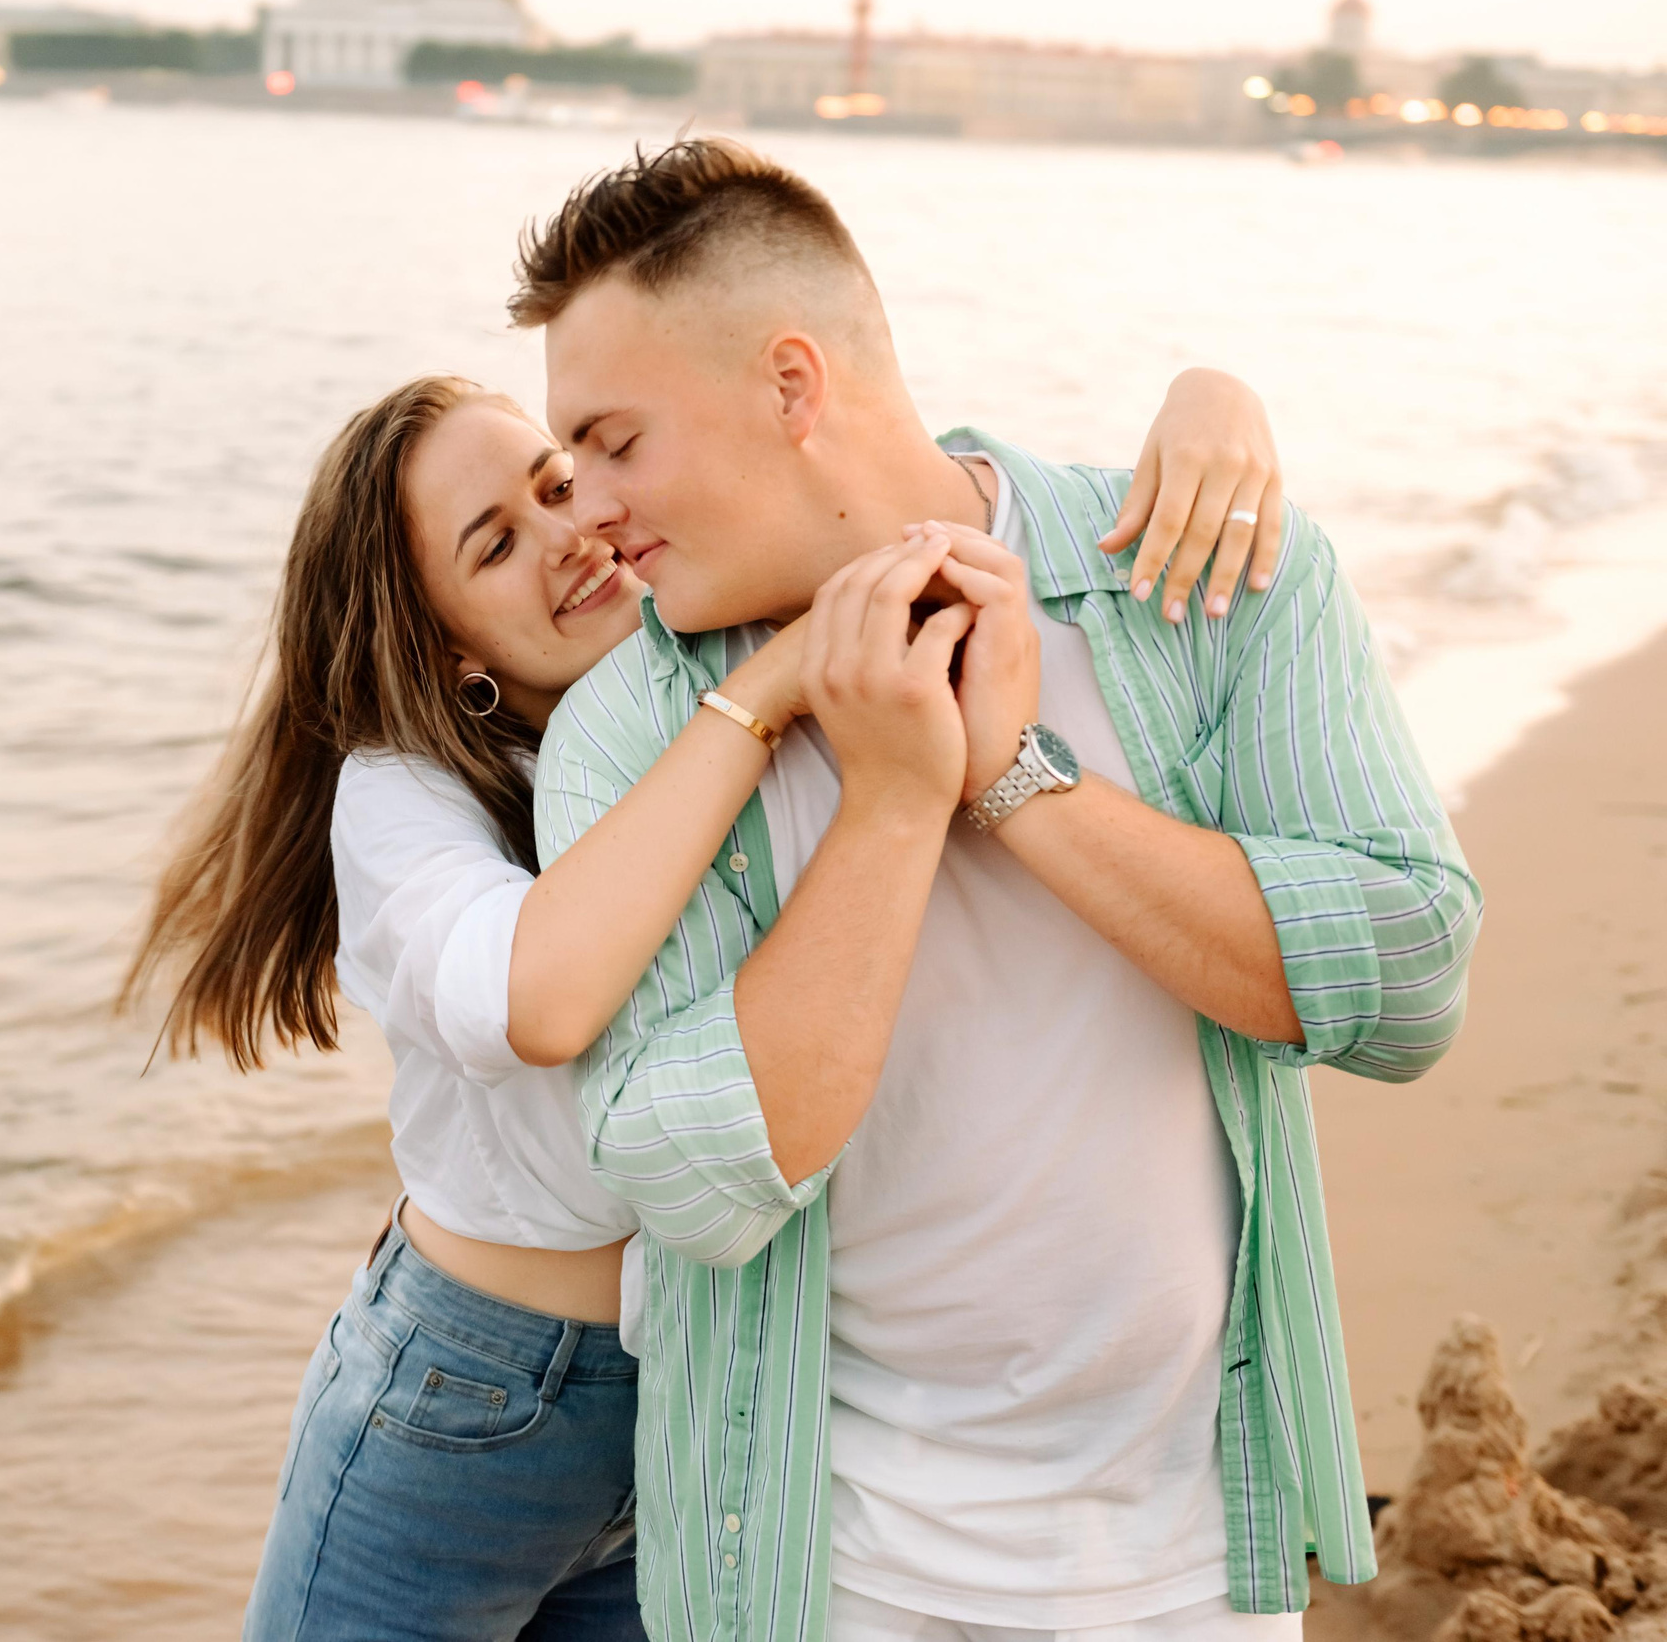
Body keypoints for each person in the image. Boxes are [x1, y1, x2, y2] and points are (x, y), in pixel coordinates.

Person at [126, 345, 1290, 1638]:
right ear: (448, 646)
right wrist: (762, 694)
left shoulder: (704, 647)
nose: (571, 533)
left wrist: (1208, 403)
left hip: (706, 1385)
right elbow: (542, 997)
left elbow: (887, 476)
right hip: (466, 1404)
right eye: (496, 545)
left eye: (560, 482)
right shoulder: (407, 792)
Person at [515, 138, 1482, 1642]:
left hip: (1189, 1555)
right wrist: (897, 805)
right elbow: (688, 1182)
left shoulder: (1200, 580)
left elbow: (1410, 982)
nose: (590, 511)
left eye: (616, 441)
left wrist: (1018, 780)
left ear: (792, 384)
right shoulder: (636, 734)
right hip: (817, 1571)